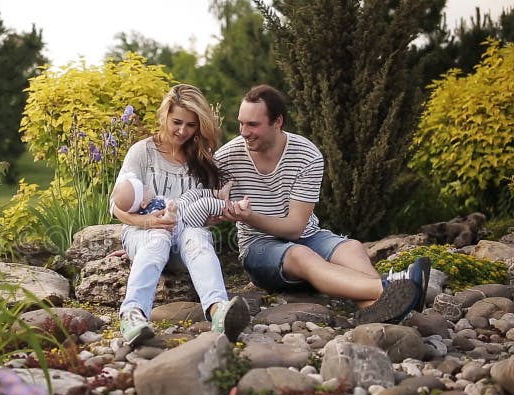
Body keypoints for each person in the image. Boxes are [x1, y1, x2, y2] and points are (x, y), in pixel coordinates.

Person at [215, 85, 430, 324]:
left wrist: (249, 215)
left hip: (306, 235)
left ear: (277, 122)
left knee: (353, 248)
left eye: (253, 124)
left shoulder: (307, 155)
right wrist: (219, 200)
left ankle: (381, 309)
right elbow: (206, 202)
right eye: (241, 123)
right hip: (258, 247)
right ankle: (393, 287)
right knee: (300, 255)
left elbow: (295, 228)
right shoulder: (226, 158)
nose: (244, 132)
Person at [111, 84, 250, 346]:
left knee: (198, 237)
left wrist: (220, 214)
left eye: (191, 125)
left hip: (184, 234)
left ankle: (218, 312)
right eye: (177, 122)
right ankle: (133, 314)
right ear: (164, 115)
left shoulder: (200, 159)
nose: (182, 131)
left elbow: (202, 208)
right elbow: (117, 207)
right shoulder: (142, 152)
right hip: (145, 232)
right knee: (158, 238)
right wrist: (149, 221)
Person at [111, 173, 248, 229]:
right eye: (144, 188)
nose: (147, 186)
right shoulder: (150, 212)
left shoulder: (149, 201)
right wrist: (168, 211)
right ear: (143, 204)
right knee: (204, 204)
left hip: (181, 208)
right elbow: (163, 223)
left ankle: (219, 193)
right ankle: (235, 207)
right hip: (183, 223)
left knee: (191, 193)